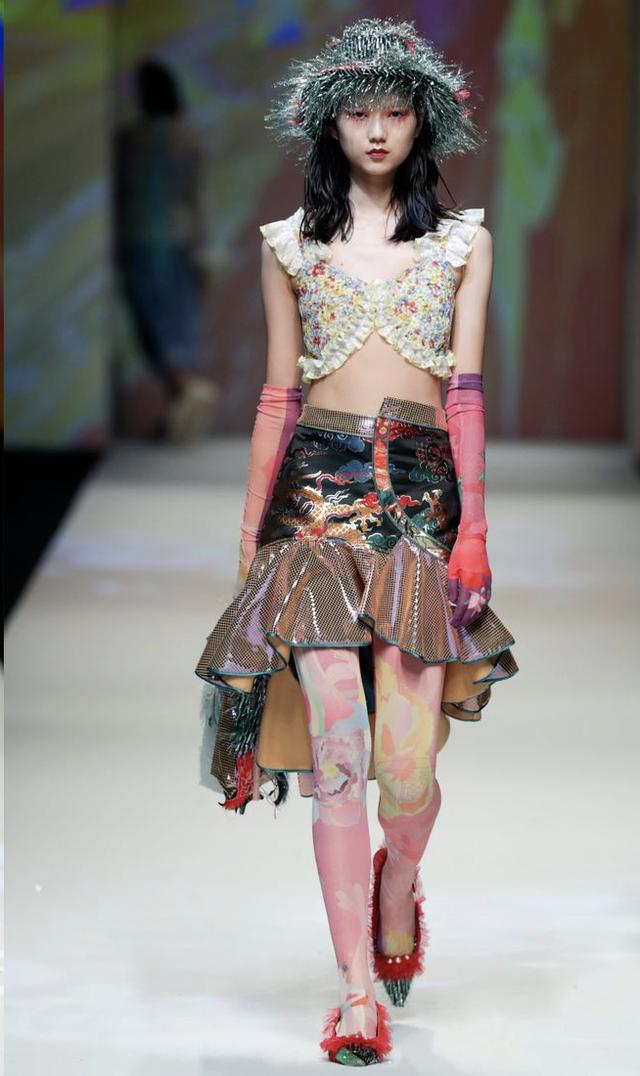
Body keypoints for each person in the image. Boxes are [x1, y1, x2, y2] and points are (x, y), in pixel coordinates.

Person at [195, 17, 519, 1066]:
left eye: (394, 111)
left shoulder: (462, 243)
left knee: (406, 768)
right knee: (338, 748)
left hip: (421, 504)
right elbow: (276, 396)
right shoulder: (288, 245)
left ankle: (398, 878)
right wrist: (250, 544)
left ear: (423, 122)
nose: (376, 130)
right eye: (357, 112)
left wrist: (475, 531)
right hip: (313, 506)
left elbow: (464, 394)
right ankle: (354, 993)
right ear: (327, 124)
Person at [114, 59, 219, 443]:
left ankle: (187, 388)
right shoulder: (187, 138)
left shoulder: (130, 140)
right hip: (180, 239)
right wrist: (203, 249)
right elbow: (196, 199)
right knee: (176, 321)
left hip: (139, 240)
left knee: (152, 322)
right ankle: (180, 401)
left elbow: (120, 196)